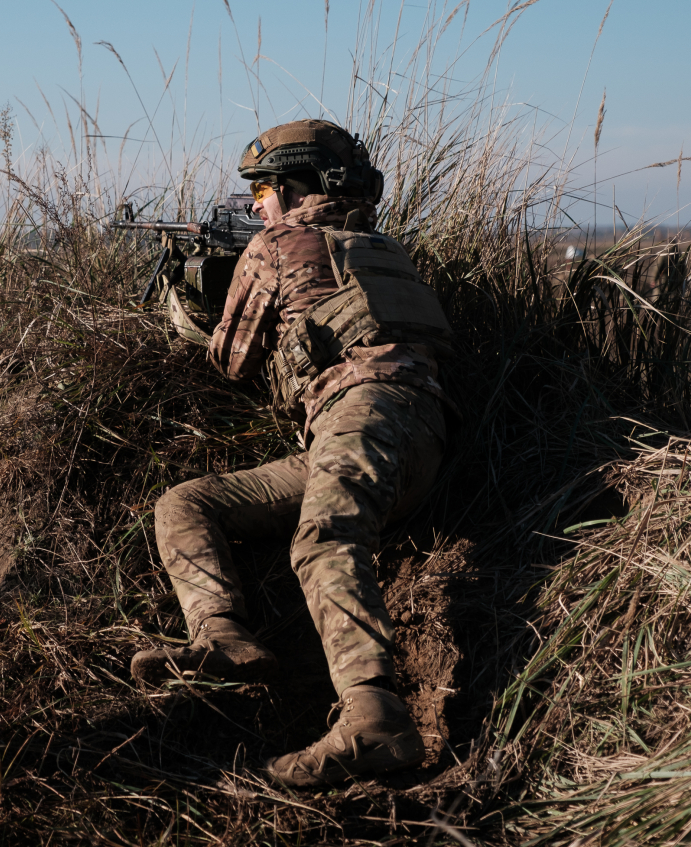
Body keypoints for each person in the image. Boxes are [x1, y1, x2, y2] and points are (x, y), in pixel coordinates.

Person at [130, 119, 454, 788]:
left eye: (263, 190)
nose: (254, 206)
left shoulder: (278, 243)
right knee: (190, 503)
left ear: (297, 186)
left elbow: (235, 360)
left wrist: (188, 307)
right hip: (414, 435)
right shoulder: (384, 247)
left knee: (322, 541)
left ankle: (375, 719)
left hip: (362, 417)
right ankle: (220, 634)